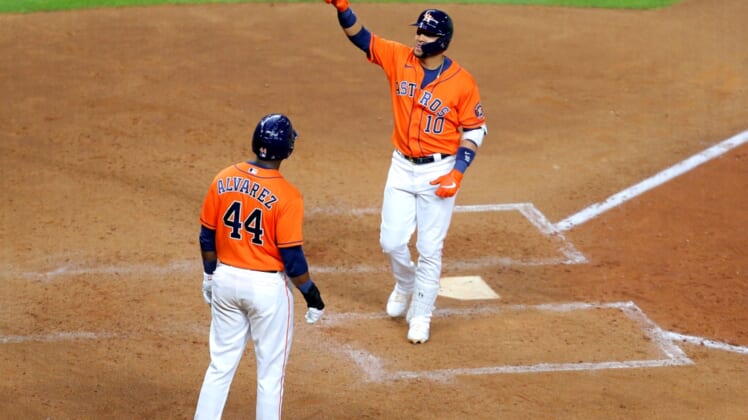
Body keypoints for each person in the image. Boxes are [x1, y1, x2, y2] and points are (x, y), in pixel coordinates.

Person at [323, 0, 487, 344]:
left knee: (429, 248)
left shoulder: (462, 82)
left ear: (442, 40)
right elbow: (362, 38)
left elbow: (475, 129)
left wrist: (458, 172)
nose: (419, 37)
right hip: (401, 166)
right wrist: (342, 8)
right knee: (391, 241)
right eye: (419, 31)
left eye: (426, 33)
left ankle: (422, 315)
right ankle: (405, 282)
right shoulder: (399, 58)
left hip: (439, 169)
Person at [194, 114, 325, 420]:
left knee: (219, 367)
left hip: (226, 280)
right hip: (266, 291)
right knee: (270, 377)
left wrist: (209, 275)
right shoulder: (288, 195)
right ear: (287, 149)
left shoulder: (223, 178)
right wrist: (312, 294)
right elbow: (292, 259)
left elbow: (206, 236)